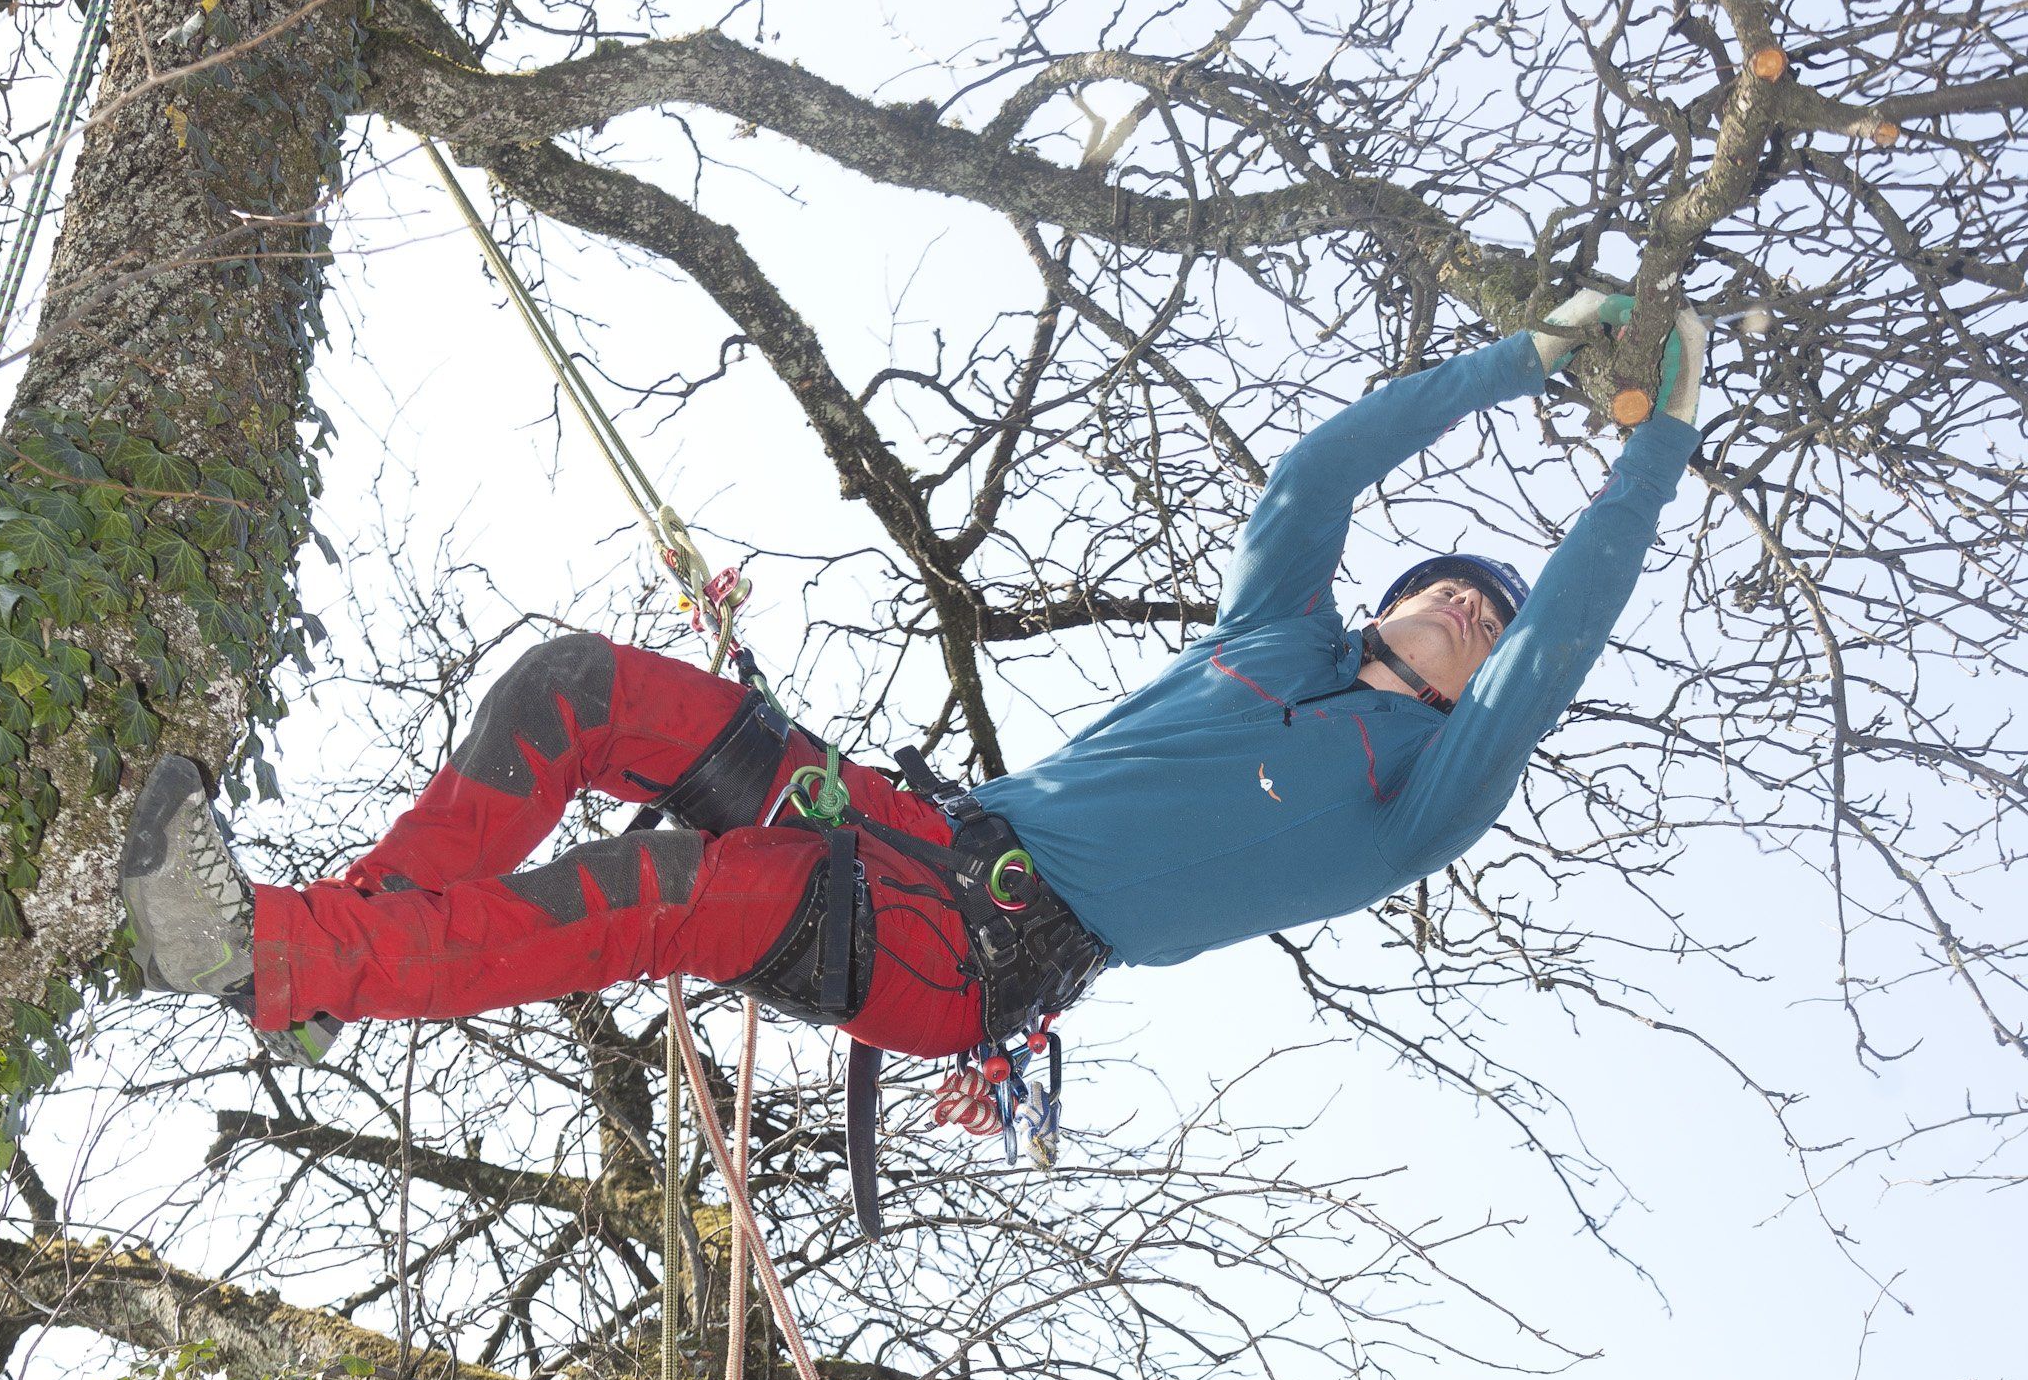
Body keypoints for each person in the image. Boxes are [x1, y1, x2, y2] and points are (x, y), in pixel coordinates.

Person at [117, 292, 1704, 1072]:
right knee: (577, 689)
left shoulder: (1416, 796)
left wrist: (1655, 448)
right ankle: (342, 961)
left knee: (652, 890)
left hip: (967, 953)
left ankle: (270, 953)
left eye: (1484, 618)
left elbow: (1558, 638)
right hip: (908, 825)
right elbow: (1313, 477)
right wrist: (1522, 358)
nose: (1463, 603)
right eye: (1446, 581)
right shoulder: (1275, 638)